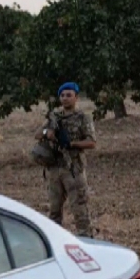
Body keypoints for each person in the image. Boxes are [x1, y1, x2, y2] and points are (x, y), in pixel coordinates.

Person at [34, 81, 97, 237]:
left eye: (69, 95)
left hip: (73, 168)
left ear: (76, 97)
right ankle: (54, 240)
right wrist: (46, 133)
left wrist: (71, 144)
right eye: (62, 95)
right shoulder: (54, 117)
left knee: (79, 208)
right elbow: (37, 134)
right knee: (54, 210)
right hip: (54, 169)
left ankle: (85, 239)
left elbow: (91, 142)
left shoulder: (83, 118)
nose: (65, 98)